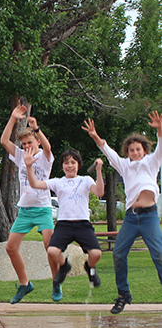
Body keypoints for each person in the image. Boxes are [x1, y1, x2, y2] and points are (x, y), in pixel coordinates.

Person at [83, 112, 162, 314]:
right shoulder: (124, 165)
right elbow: (107, 150)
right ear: (127, 152)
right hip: (131, 217)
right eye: (131, 150)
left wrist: (159, 129)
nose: (135, 152)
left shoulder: (151, 162)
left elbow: (160, 147)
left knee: (159, 255)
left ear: (144, 150)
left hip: (149, 216)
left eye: (138, 149)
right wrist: (94, 136)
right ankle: (123, 294)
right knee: (118, 254)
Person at [24, 148, 104, 301]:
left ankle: (89, 268)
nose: (70, 166)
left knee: (96, 254)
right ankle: (64, 266)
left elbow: (100, 192)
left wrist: (99, 170)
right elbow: (34, 184)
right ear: (62, 166)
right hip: (64, 225)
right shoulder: (57, 182)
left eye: (73, 162)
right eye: (66, 163)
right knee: (52, 251)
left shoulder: (86, 180)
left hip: (83, 224)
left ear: (78, 165)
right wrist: (29, 166)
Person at [0, 105, 55, 303]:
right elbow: (4, 141)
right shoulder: (21, 158)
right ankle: (25, 284)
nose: (26, 147)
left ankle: (56, 282)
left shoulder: (44, 157)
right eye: (23, 144)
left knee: (50, 245)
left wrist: (37, 128)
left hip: (42, 209)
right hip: (25, 210)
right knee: (10, 248)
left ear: (37, 142)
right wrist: (13, 118)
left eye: (30, 142)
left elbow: (48, 148)